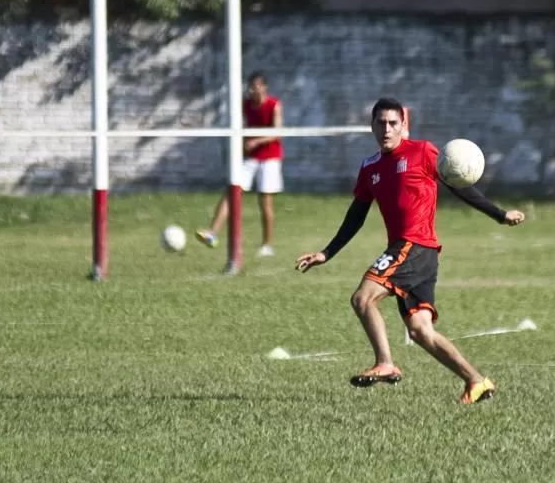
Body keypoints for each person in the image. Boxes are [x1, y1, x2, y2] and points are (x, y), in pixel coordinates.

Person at [295, 97, 525, 404]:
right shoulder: (370, 168)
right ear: (372, 126)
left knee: (362, 298)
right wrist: (327, 252)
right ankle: (477, 381)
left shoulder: (423, 152)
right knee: (420, 331)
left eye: (393, 123)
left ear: (404, 126)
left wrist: (499, 214)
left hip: (415, 245)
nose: (387, 130)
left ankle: (386, 363)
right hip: (412, 252)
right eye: (381, 123)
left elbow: (459, 186)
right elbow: (356, 215)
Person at [197, 71, 283, 257]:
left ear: (264, 87)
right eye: (250, 87)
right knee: (232, 192)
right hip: (250, 158)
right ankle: (212, 233)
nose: (252, 90)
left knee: (265, 201)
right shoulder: (246, 105)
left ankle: (267, 245)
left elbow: (276, 133)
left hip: (270, 158)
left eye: (256, 86)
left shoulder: (274, 105)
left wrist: (256, 141)